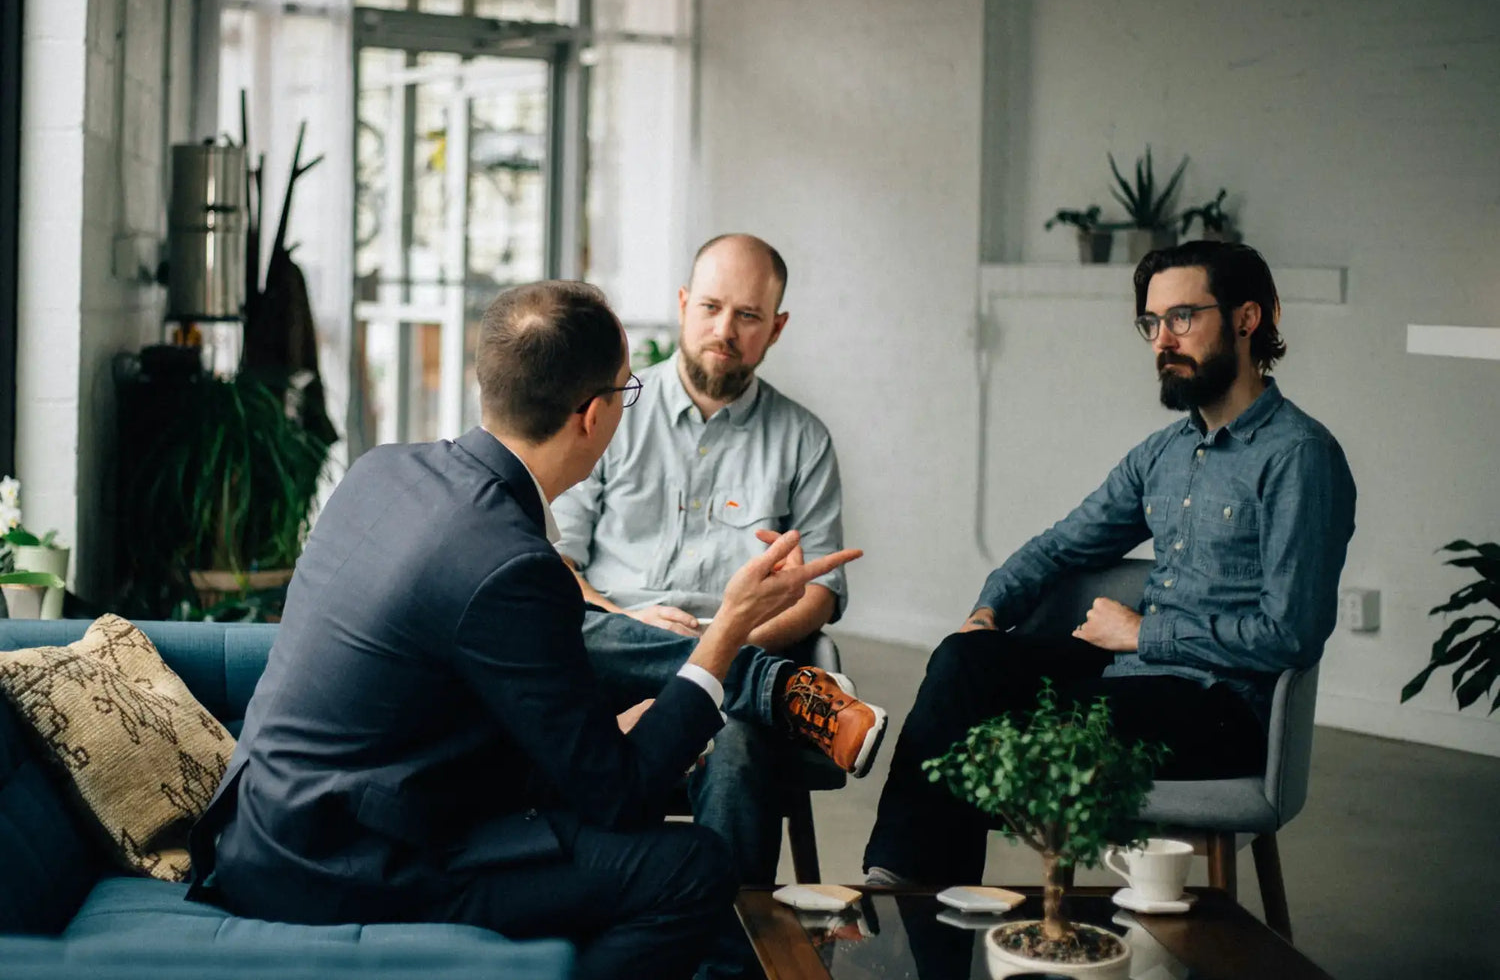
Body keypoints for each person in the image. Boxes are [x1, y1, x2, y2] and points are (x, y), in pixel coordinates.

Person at [187, 280, 883, 980]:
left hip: (272, 823)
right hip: (342, 864)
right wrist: (728, 626)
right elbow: (621, 796)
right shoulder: (512, 564)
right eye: (625, 391)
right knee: (692, 868)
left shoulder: (383, 468)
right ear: (591, 415)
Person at [863, 241, 1357, 887]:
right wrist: (988, 612)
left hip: (1223, 707)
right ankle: (898, 889)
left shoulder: (1300, 456)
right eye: (1151, 324)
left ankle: (924, 910)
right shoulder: (1164, 454)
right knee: (963, 661)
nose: (1161, 340)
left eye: (1182, 317)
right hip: (1133, 677)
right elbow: (1063, 544)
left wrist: (1141, 633)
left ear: (1247, 318)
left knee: (992, 726)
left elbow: (1292, 633)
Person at [552, 233, 879, 899]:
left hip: (736, 665)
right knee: (554, 625)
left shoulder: (803, 439)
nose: (724, 330)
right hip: (613, 644)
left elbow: (820, 594)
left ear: (777, 328)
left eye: (749, 316)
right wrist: (632, 622)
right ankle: (781, 690)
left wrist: (726, 644)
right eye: (710, 307)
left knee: (737, 750)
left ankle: (731, 952)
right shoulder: (610, 411)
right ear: (682, 305)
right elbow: (557, 565)